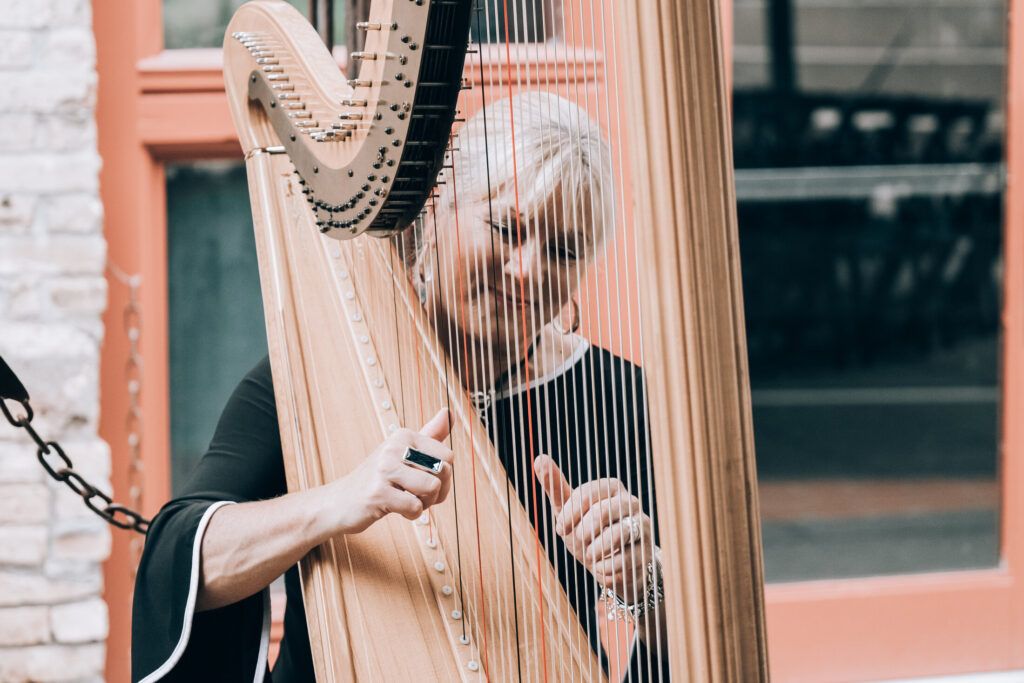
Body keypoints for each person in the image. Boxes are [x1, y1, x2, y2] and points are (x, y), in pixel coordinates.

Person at [132, 92, 667, 682]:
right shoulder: (313, 379)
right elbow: (180, 564)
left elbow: (697, 642)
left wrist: (649, 590)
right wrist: (338, 501)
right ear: (438, 210)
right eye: (506, 227)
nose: (526, 270)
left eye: (563, 250)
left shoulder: (621, 398)